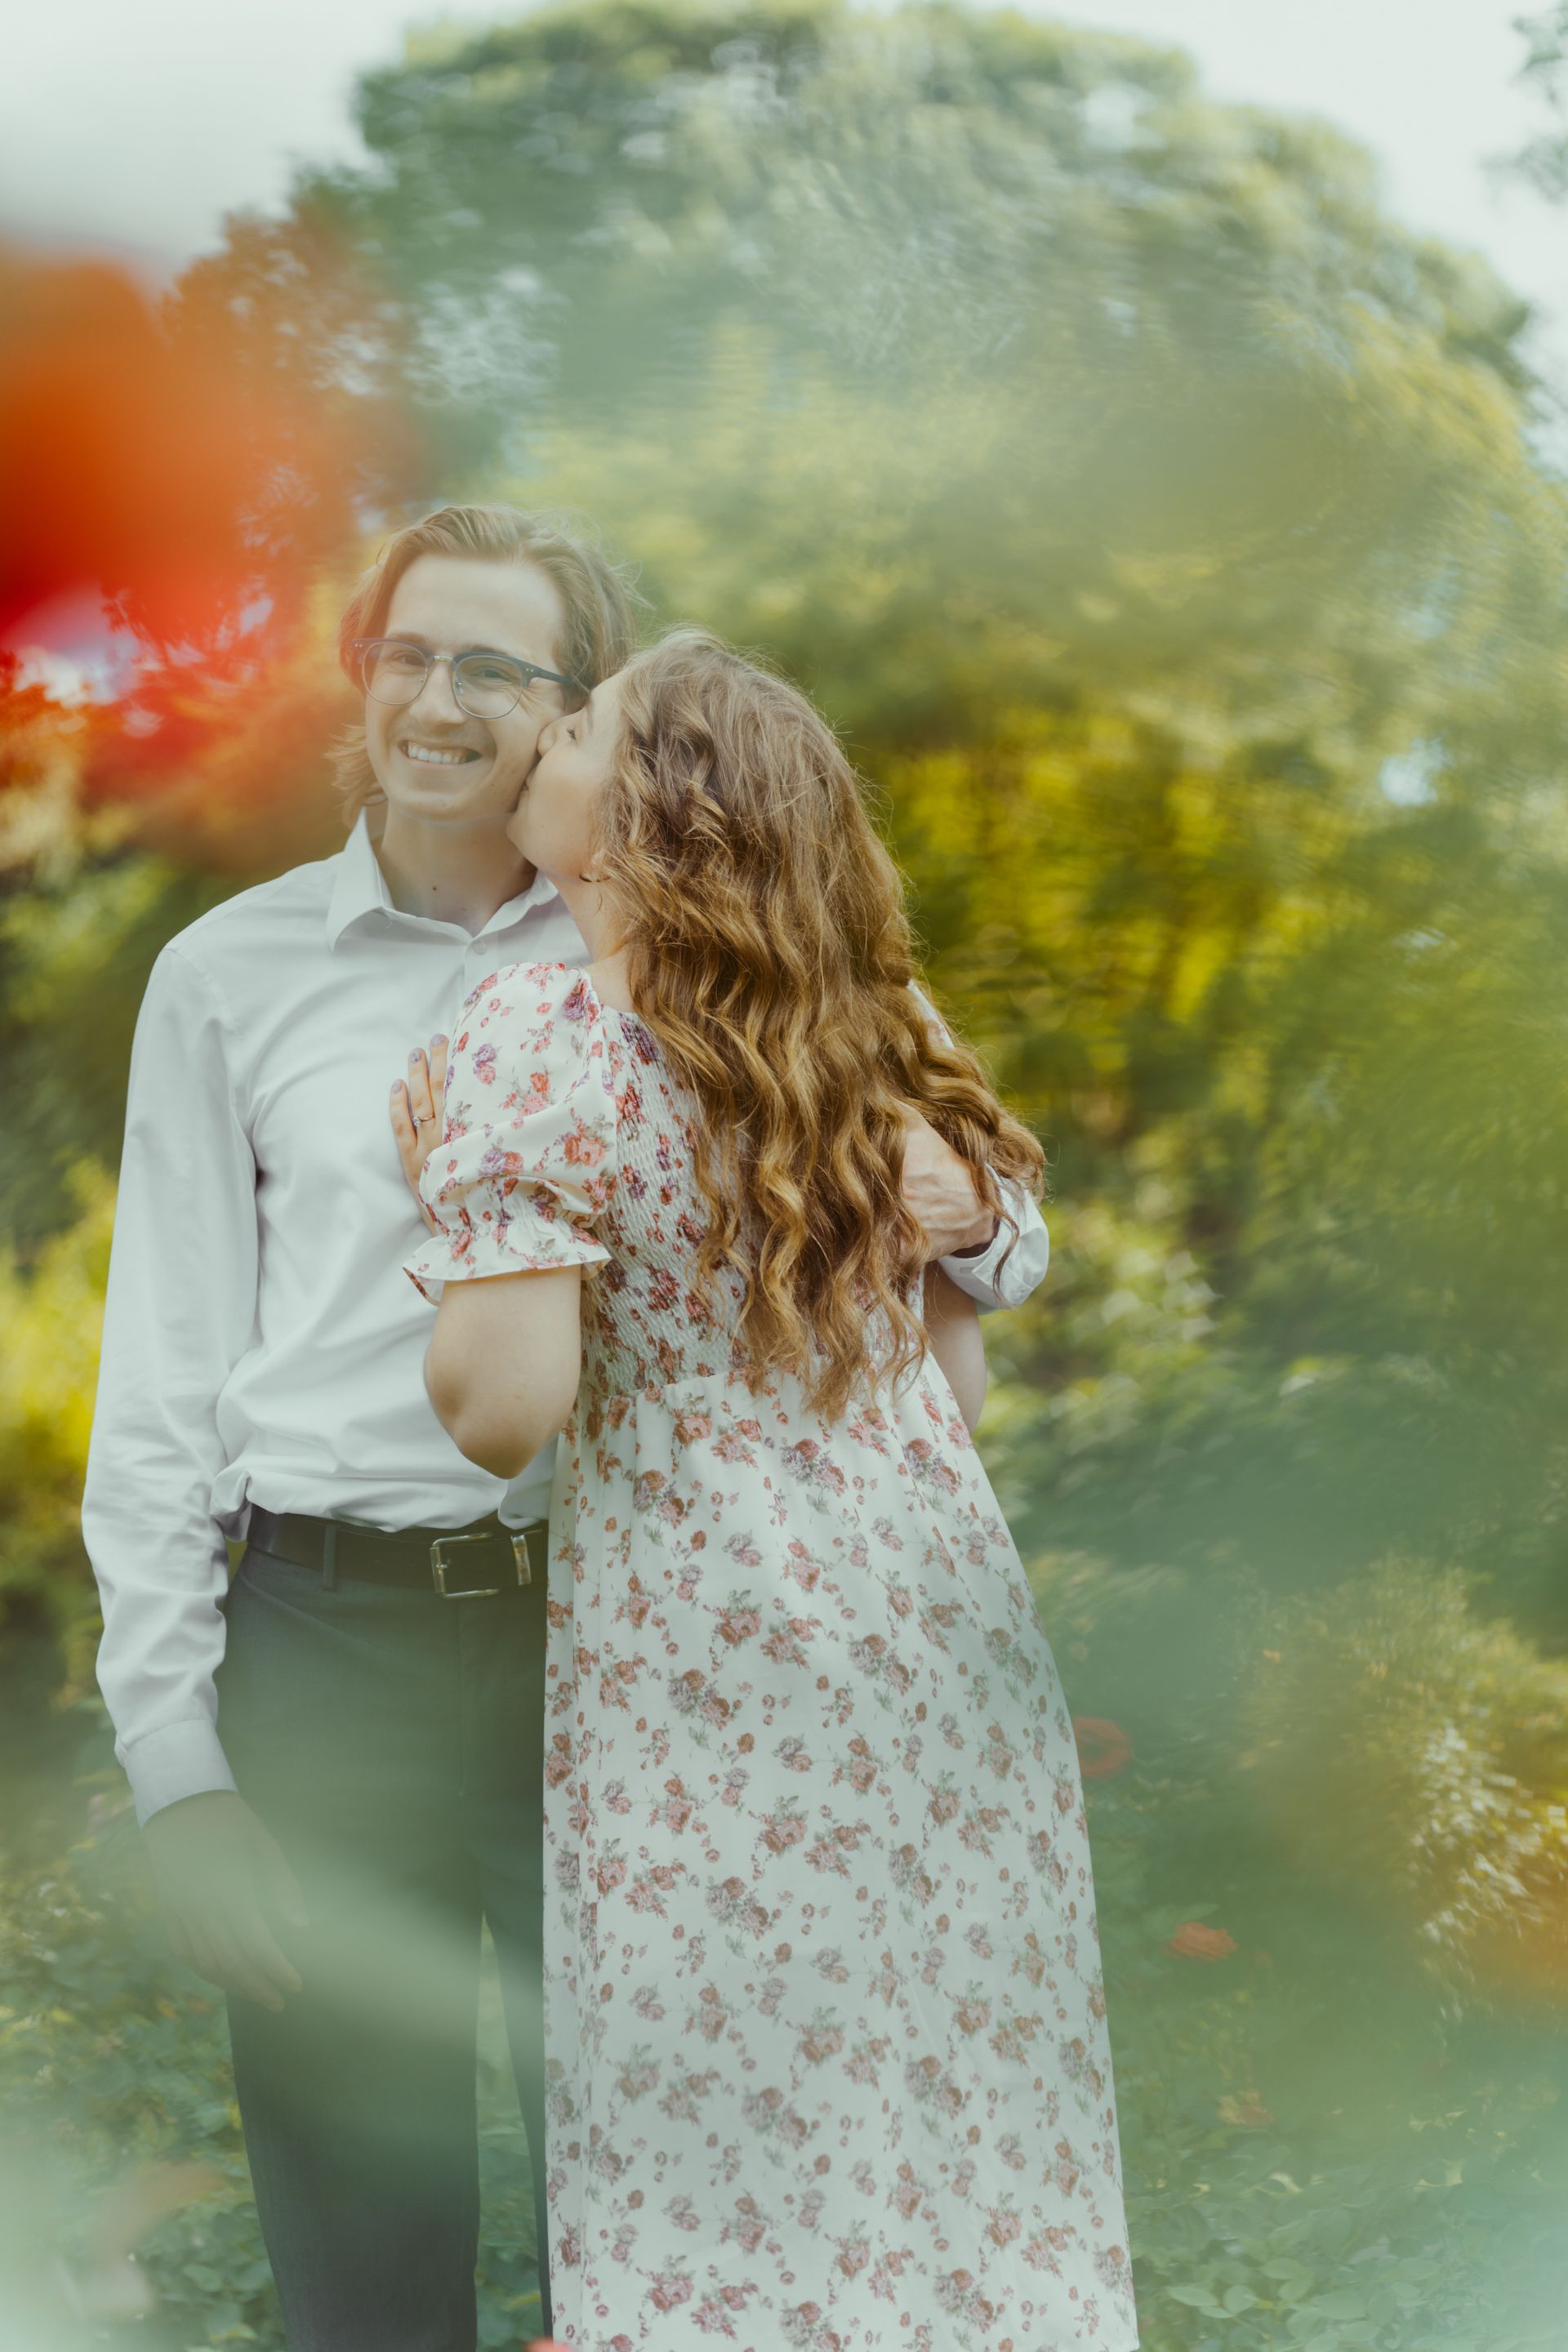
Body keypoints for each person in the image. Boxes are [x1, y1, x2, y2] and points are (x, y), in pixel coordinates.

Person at [79, 512, 1050, 2352]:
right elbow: (161, 1388)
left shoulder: (696, 946)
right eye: (404, 653)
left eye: (497, 670)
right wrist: (180, 1770)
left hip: (618, 1642)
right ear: (359, 672)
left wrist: (975, 1225)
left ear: (578, 714)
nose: (437, 701)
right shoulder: (229, 975)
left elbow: (915, 1220)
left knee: (669, 2207)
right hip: (329, 1641)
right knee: (359, 2240)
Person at [391, 629, 1138, 2350]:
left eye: (579, 726)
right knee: (950, 2119)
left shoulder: (529, 1033)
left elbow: (506, 1411)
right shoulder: (872, 1026)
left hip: (715, 1655)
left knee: (726, 2150)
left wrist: (453, 1188)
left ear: (647, 816)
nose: (542, 743)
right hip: (940, 1625)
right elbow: (954, 1381)